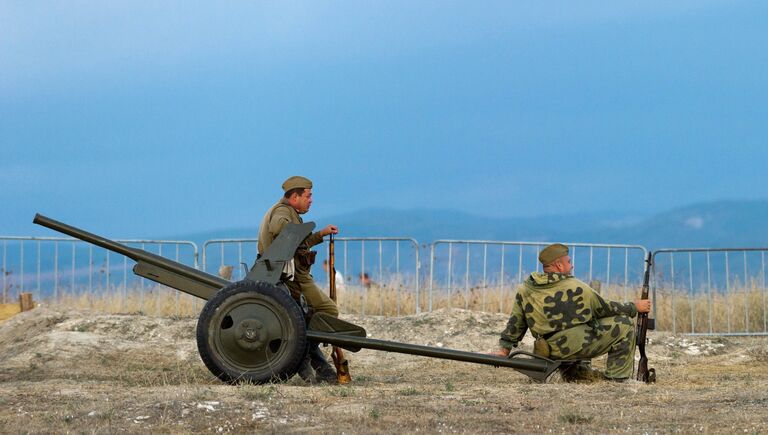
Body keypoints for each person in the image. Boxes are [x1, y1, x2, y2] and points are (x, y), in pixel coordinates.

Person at [490, 243, 651, 382]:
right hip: (572, 347)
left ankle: (575, 373)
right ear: (559, 266)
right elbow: (604, 308)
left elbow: (516, 323)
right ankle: (618, 378)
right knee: (624, 324)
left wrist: (504, 350)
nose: (571, 265)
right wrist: (634, 307)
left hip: (546, 352)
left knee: (584, 325)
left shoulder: (526, 289)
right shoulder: (575, 286)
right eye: (569, 261)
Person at [258, 175, 340, 383]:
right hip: (291, 277)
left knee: (305, 319)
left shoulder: (290, 211)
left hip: (291, 274)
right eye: (308, 196)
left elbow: (299, 244)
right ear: (294, 196)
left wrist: (320, 233)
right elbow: (278, 228)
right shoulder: (282, 212)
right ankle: (305, 354)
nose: (311, 200)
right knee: (329, 311)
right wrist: (294, 229)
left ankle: (314, 365)